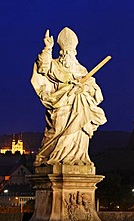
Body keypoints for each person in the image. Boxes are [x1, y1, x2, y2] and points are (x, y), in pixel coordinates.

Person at [31, 27, 107, 167]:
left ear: (75, 52)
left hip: (80, 107)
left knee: (80, 130)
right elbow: (43, 68)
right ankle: (55, 157)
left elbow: (94, 89)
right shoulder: (55, 65)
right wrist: (48, 48)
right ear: (61, 52)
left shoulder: (81, 69)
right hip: (61, 106)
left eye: (71, 52)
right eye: (66, 52)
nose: (68, 54)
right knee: (58, 129)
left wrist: (83, 88)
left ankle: (77, 158)